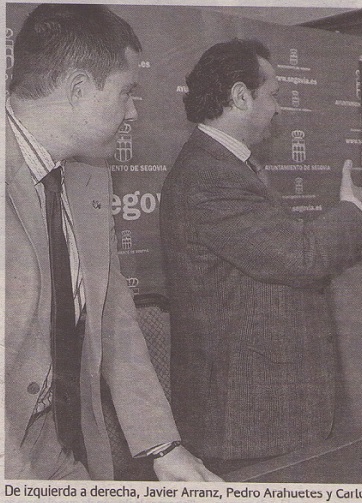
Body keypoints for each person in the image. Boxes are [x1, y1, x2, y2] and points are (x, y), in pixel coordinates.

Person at [5, 4, 221, 481]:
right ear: (79, 89)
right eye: (126, 93)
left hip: (57, 446)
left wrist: (163, 447)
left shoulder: (88, 176)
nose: (133, 111)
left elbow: (113, 317)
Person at [160, 38, 362, 470]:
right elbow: (301, 256)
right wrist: (351, 209)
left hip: (260, 408)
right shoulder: (212, 175)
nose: (278, 108)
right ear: (241, 96)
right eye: (273, 94)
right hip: (247, 414)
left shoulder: (224, 165)